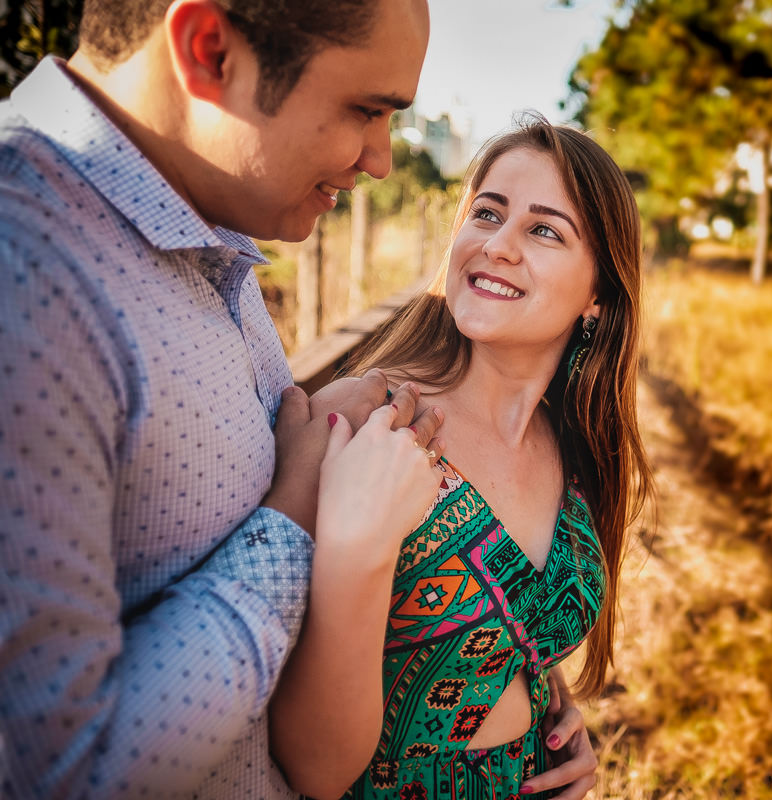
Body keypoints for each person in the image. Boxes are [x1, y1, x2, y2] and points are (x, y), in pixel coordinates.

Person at [0, 2, 593, 797]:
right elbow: (59, 775)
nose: (383, 159)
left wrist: (521, 701)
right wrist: (297, 520)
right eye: (367, 109)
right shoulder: (27, 275)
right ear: (209, 50)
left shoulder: (205, 247)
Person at [268, 117, 653, 800]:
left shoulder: (572, 448)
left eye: (543, 230)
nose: (496, 245)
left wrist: (556, 727)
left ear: (598, 296)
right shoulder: (372, 419)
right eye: (486, 212)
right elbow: (315, 768)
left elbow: (505, 641)